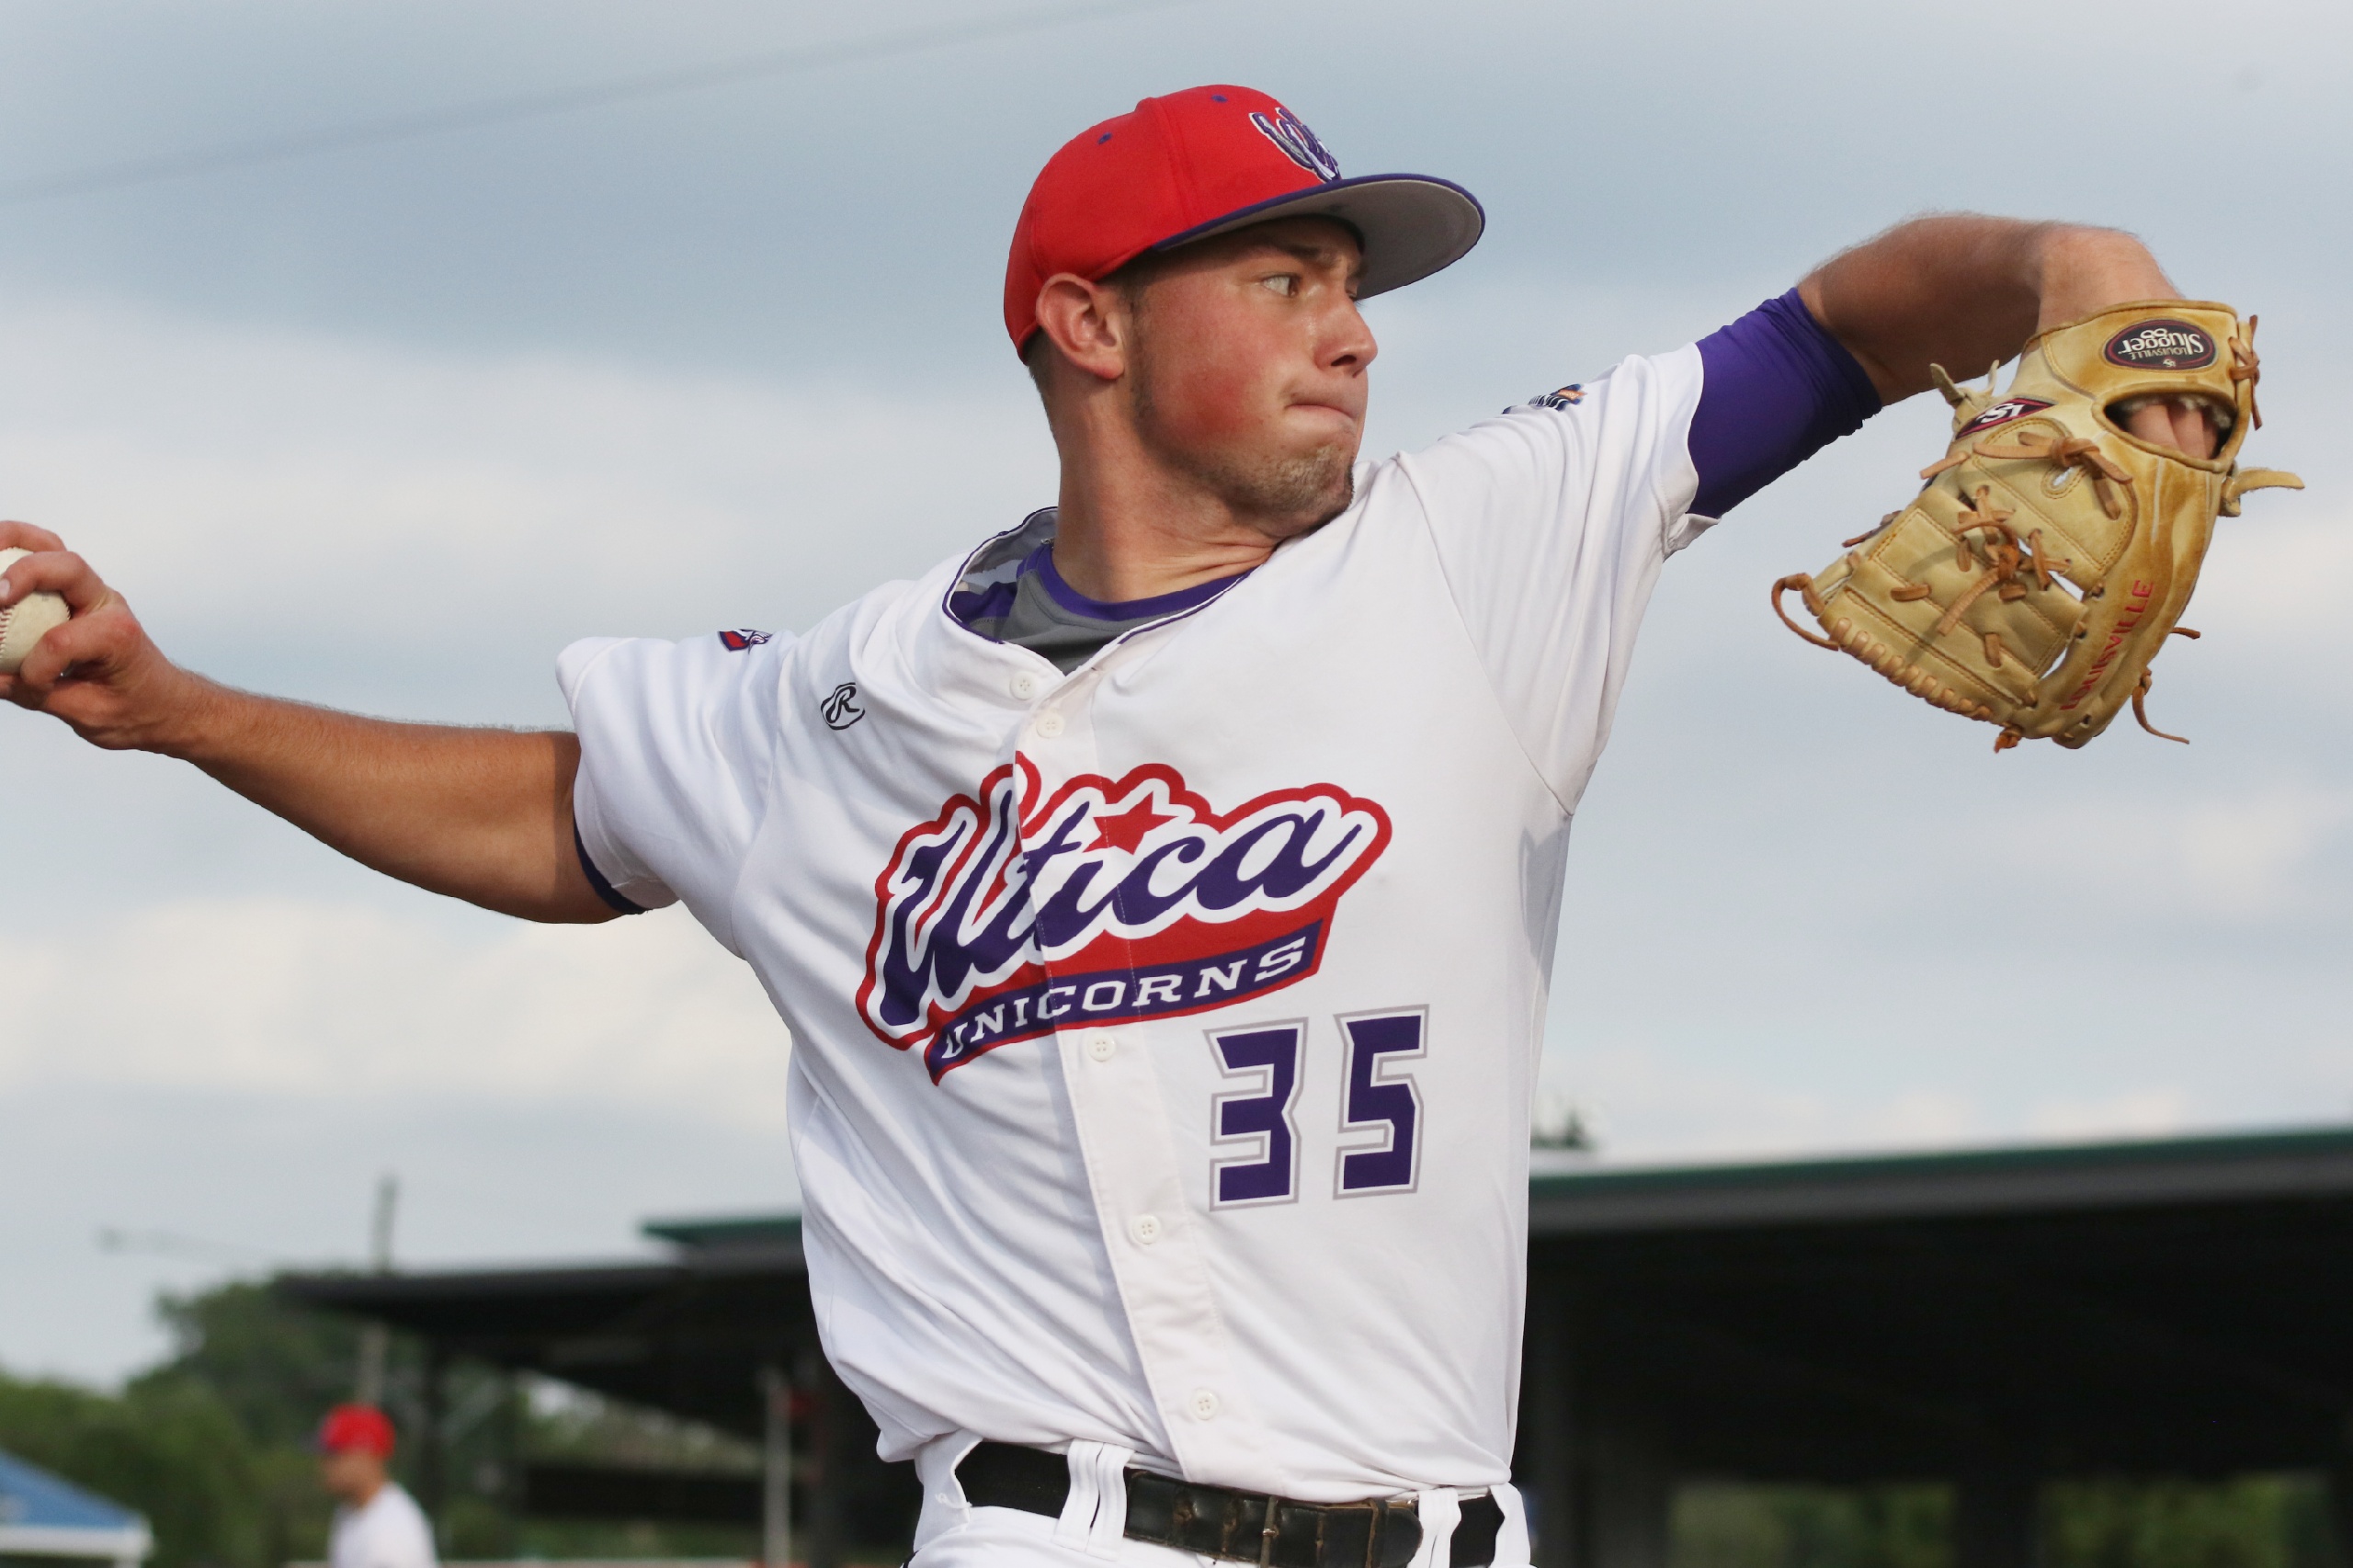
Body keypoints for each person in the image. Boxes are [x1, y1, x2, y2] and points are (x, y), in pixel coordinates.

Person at [2, 85, 2222, 1568]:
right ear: (1084, 322)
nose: (1349, 331)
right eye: (1280, 278)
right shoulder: (841, 701)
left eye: (1351, 285)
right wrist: (180, 708)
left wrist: (2082, 269)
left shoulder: (1474, 554)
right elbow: (567, 805)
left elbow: (1850, 317)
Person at [315, 1404, 438, 1568]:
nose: (325, 1465)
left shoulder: (390, 1530)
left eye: (335, 1454)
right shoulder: (350, 1511)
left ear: (367, 1456)